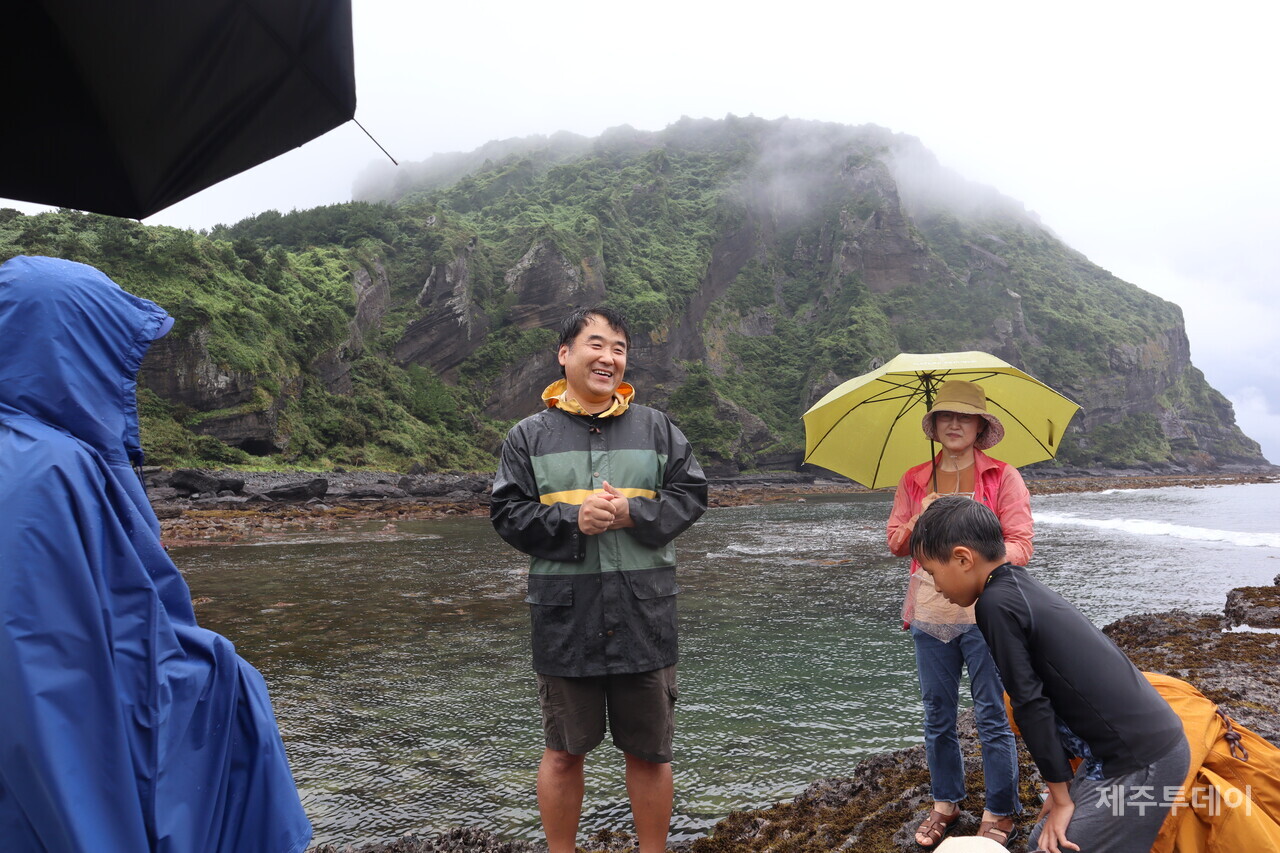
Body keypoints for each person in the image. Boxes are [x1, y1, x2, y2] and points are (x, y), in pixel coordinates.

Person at [0, 256, 311, 853]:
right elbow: (64, 688)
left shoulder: (43, 456)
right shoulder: (53, 470)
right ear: (76, 353)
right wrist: (229, 675)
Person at [490, 306, 707, 853]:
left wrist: (633, 513)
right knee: (564, 750)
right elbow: (507, 513)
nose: (609, 356)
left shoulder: (658, 428)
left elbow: (691, 495)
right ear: (564, 354)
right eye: (596, 344)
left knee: (651, 752)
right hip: (567, 617)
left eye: (619, 347)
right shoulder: (527, 437)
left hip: (645, 614)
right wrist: (573, 520)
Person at [910, 496, 1191, 853]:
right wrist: (1063, 787)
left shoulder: (994, 606)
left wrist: (1061, 797)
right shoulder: (1015, 584)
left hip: (1140, 762)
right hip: (1123, 752)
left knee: (1055, 848)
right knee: (1037, 840)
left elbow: (1030, 703)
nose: (934, 587)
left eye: (933, 573)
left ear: (963, 559)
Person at [885, 379, 1030, 848]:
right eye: (945, 416)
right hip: (928, 613)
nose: (953, 424)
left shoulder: (1002, 477)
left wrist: (978, 552)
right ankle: (945, 802)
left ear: (979, 426)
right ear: (933, 425)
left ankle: (1000, 808)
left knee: (991, 714)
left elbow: (1021, 544)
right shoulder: (914, 479)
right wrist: (919, 515)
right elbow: (895, 543)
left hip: (986, 615)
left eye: (963, 417)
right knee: (937, 715)